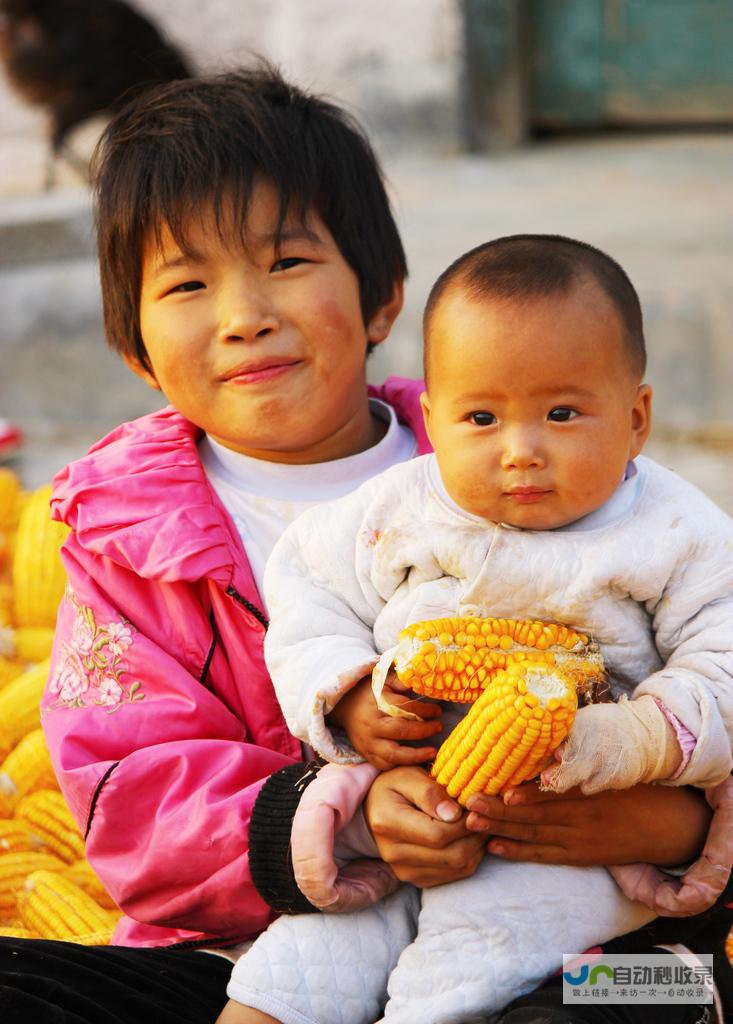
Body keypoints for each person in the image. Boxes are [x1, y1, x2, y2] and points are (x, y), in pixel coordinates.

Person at [0, 70, 728, 1024]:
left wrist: (672, 822)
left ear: (382, 298)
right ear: (135, 349)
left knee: (663, 996)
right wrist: (344, 823)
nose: (245, 313)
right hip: (254, 949)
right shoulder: (125, 544)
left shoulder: (527, 460)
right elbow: (131, 802)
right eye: (186, 283)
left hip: (566, 928)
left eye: (287, 262)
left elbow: (707, 657)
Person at [219, 236, 733, 1024]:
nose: (519, 452)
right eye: (481, 418)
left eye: (562, 414)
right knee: (293, 973)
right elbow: (309, 597)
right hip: (409, 818)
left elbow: (722, 659)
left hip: (577, 847)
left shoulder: (678, 532)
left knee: (474, 973)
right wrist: (351, 695)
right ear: (433, 419)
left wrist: (628, 740)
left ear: (635, 418)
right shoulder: (391, 514)